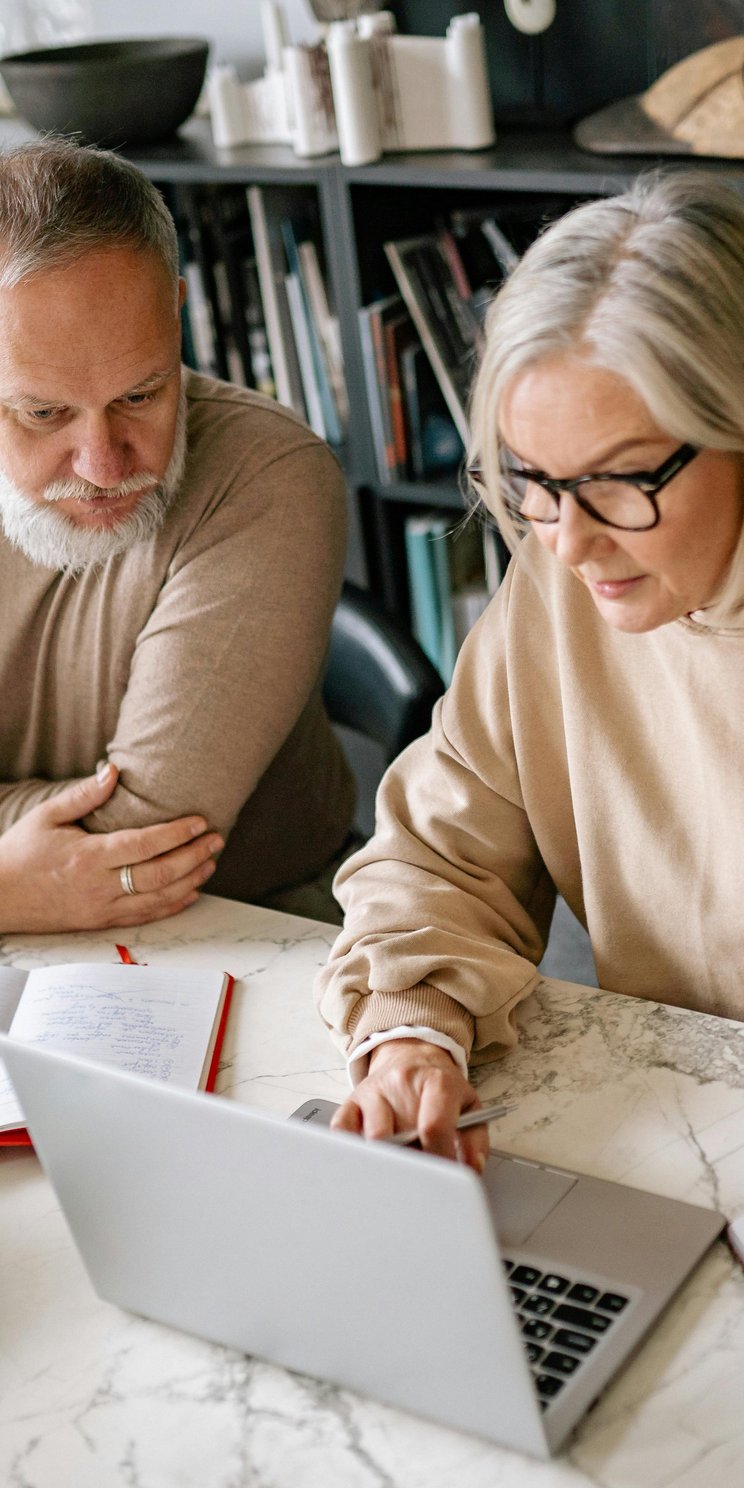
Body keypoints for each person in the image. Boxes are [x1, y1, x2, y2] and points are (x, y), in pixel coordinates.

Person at [315, 170, 744, 1171]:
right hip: (685, 1142)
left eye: (620, 479)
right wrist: (412, 1031)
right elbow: (442, 857)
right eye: (532, 482)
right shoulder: (572, 582)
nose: (566, 542)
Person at [0, 139, 354, 933]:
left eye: (141, 393)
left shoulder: (271, 473)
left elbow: (145, 839)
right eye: (43, 413)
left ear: (177, 312)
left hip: (261, 924)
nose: (101, 464)